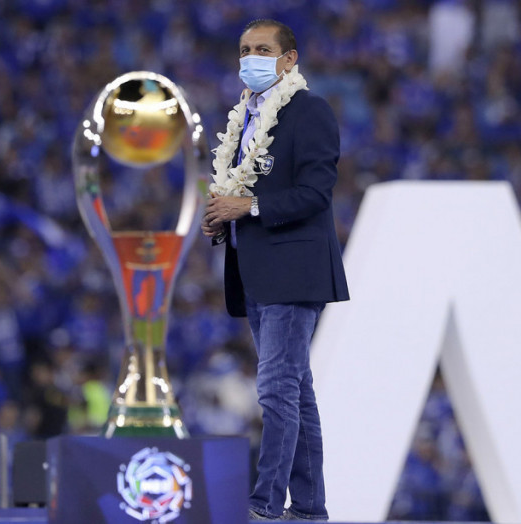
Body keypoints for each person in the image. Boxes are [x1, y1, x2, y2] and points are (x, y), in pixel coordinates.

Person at [202, 19, 350, 521]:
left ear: (289, 59)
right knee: (296, 392)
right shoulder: (246, 116)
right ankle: (308, 509)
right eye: (245, 49)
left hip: (294, 269)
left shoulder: (309, 111)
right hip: (257, 271)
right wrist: (222, 217)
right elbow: (244, 192)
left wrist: (246, 206)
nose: (251, 58)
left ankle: (264, 507)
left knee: (275, 390)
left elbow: (316, 192)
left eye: (263, 50)